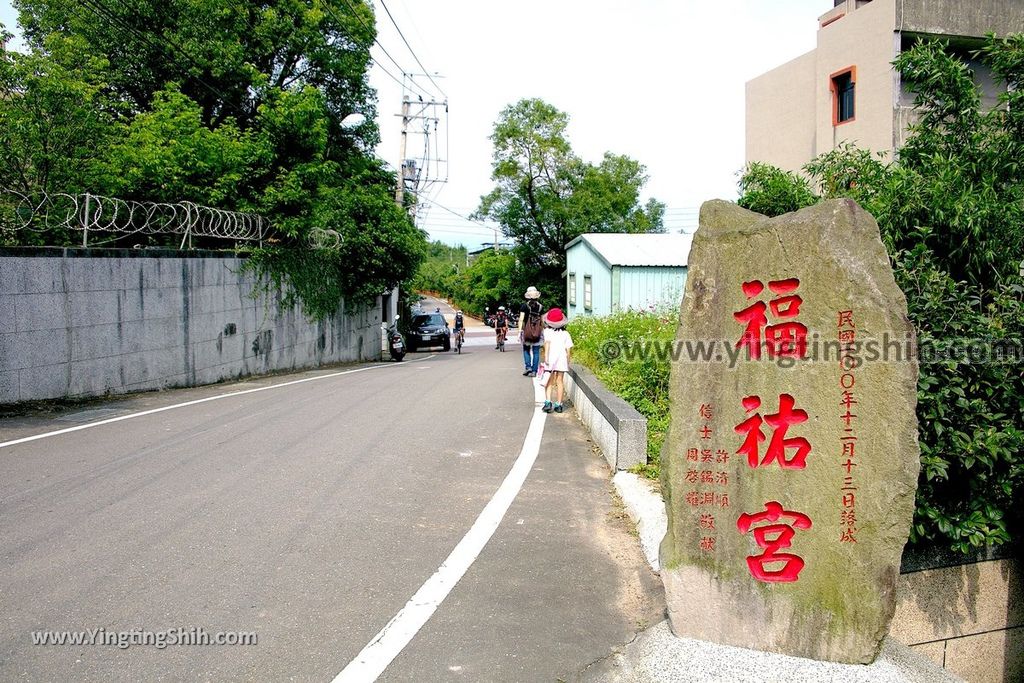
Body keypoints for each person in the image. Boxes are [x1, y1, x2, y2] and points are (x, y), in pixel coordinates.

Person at [541, 307, 573, 413]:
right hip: (562, 360)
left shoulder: (547, 331)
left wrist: (546, 357)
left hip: (550, 359)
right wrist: (567, 361)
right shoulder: (566, 334)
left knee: (549, 381)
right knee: (560, 381)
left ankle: (548, 402)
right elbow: (568, 350)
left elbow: (547, 344)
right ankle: (559, 405)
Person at [518, 286, 544, 377]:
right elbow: (542, 320)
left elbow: (521, 320)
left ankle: (528, 367)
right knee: (536, 351)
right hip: (537, 332)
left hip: (526, 331)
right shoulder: (541, 307)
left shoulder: (524, 306)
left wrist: (519, 331)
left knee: (526, 349)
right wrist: (542, 331)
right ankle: (534, 371)